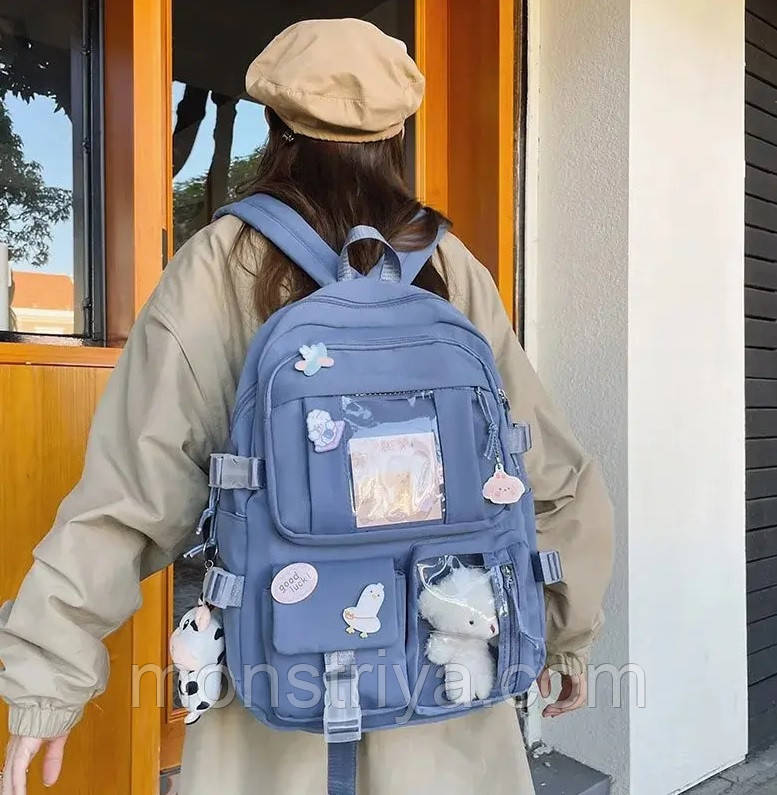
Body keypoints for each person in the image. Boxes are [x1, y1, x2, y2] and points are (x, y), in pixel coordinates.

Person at [0, 18, 613, 795]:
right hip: (446, 667)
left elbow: (131, 495)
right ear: (396, 132)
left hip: (280, 673)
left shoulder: (218, 263)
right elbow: (547, 471)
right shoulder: (448, 267)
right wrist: (563, 630)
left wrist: (47, 674)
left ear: (276, 125)